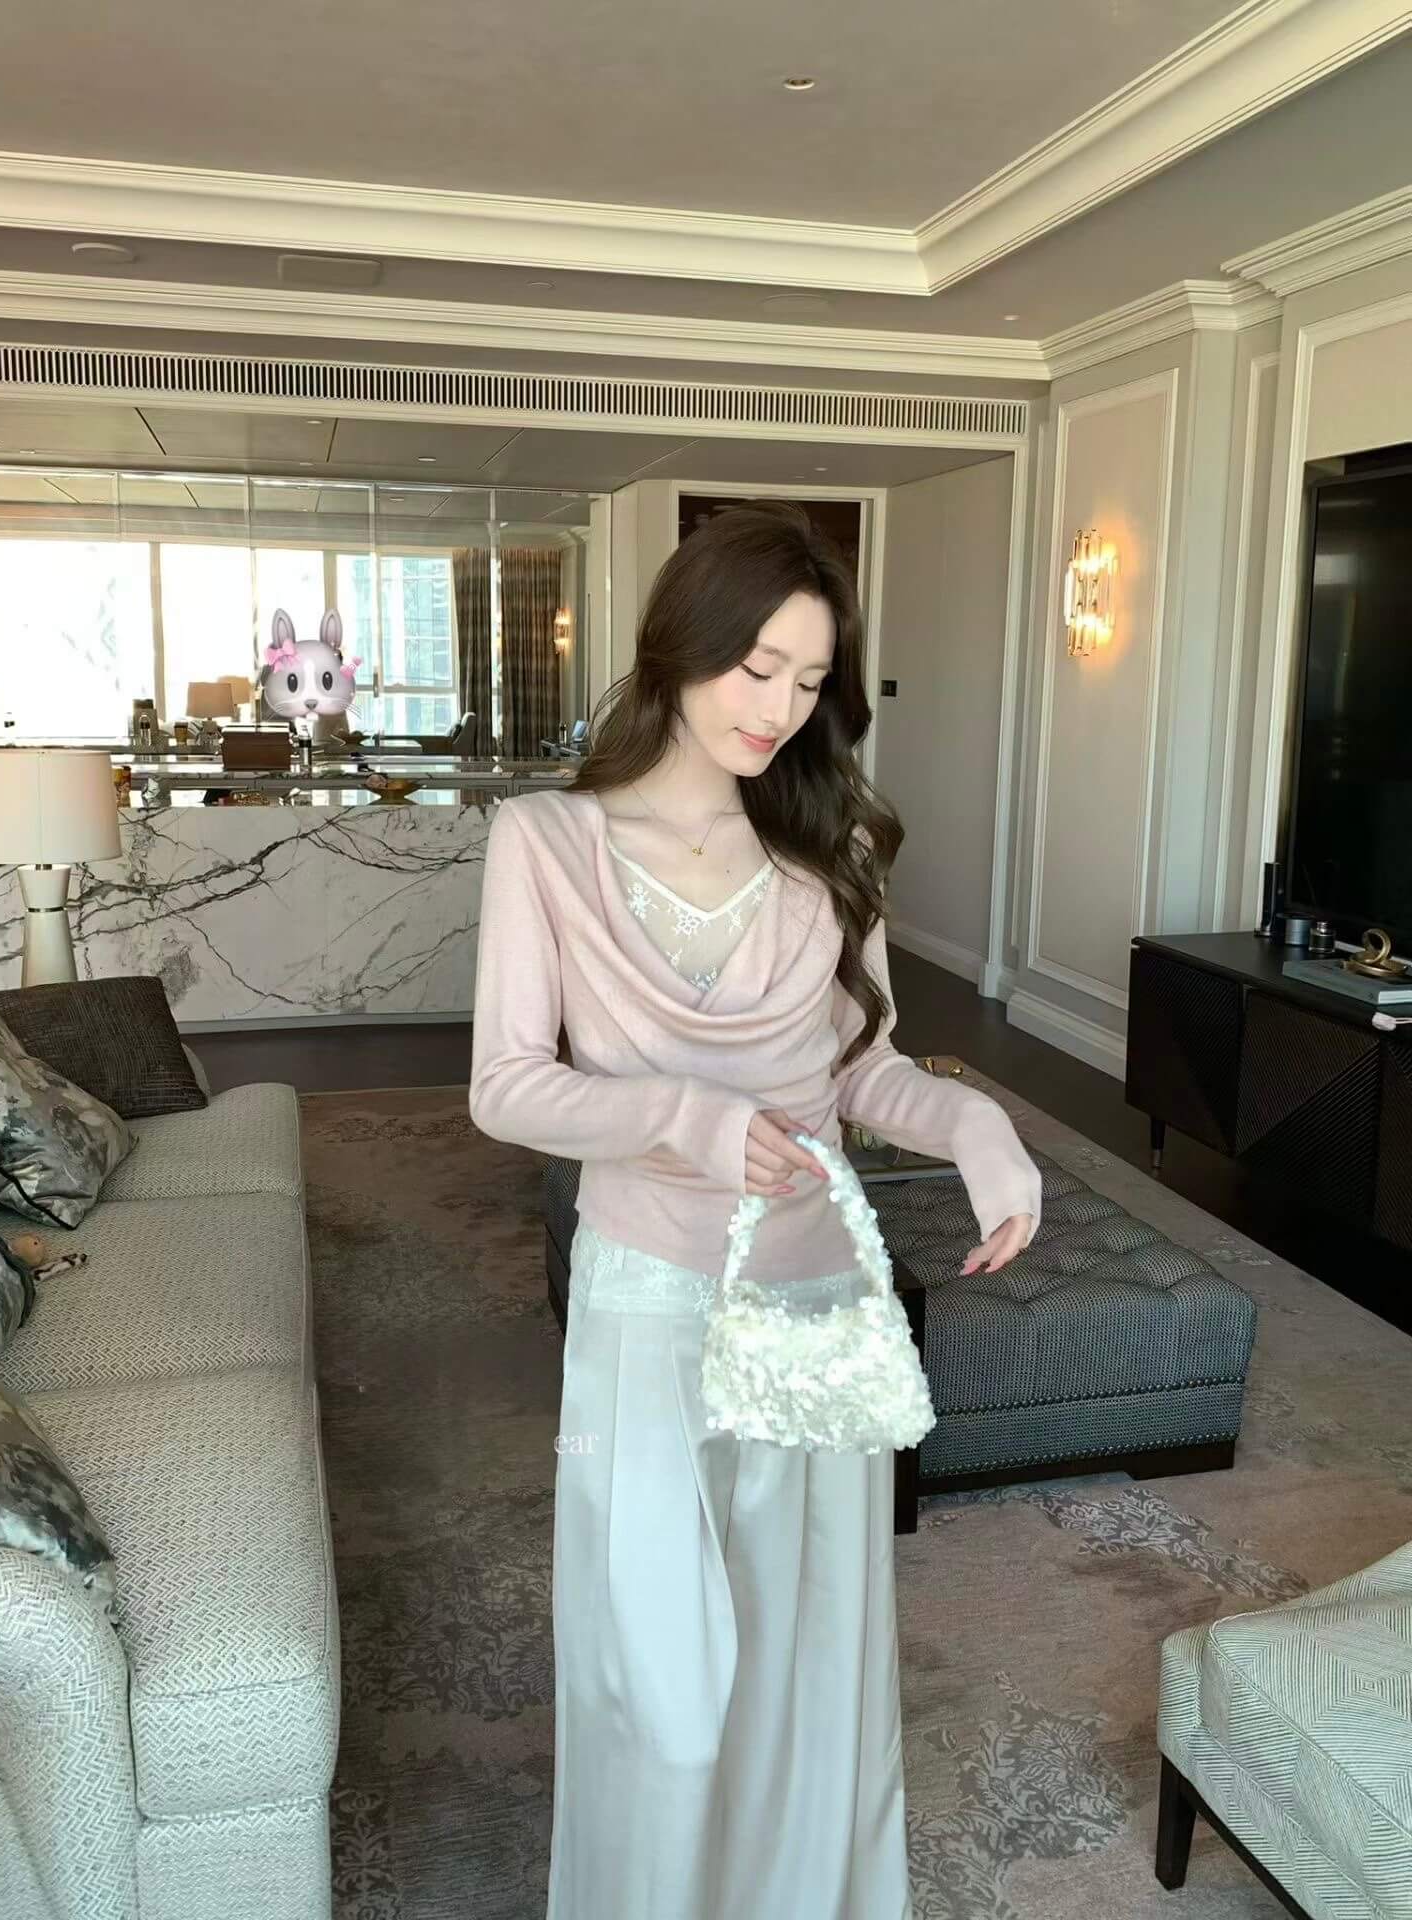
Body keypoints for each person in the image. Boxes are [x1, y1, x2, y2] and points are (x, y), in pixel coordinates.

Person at [469, 502, 1042, 1920]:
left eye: (810, 680)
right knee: (659, 1692)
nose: (779, 708)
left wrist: (976, 1124)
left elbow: (863, 1070)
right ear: (681, 646)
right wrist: (692, 1122)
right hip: (648, 1306)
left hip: (813, 1308)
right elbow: (507, 1087)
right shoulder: (547, 842)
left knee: (802, 1668)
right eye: (756, 667)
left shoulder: (826, 843)